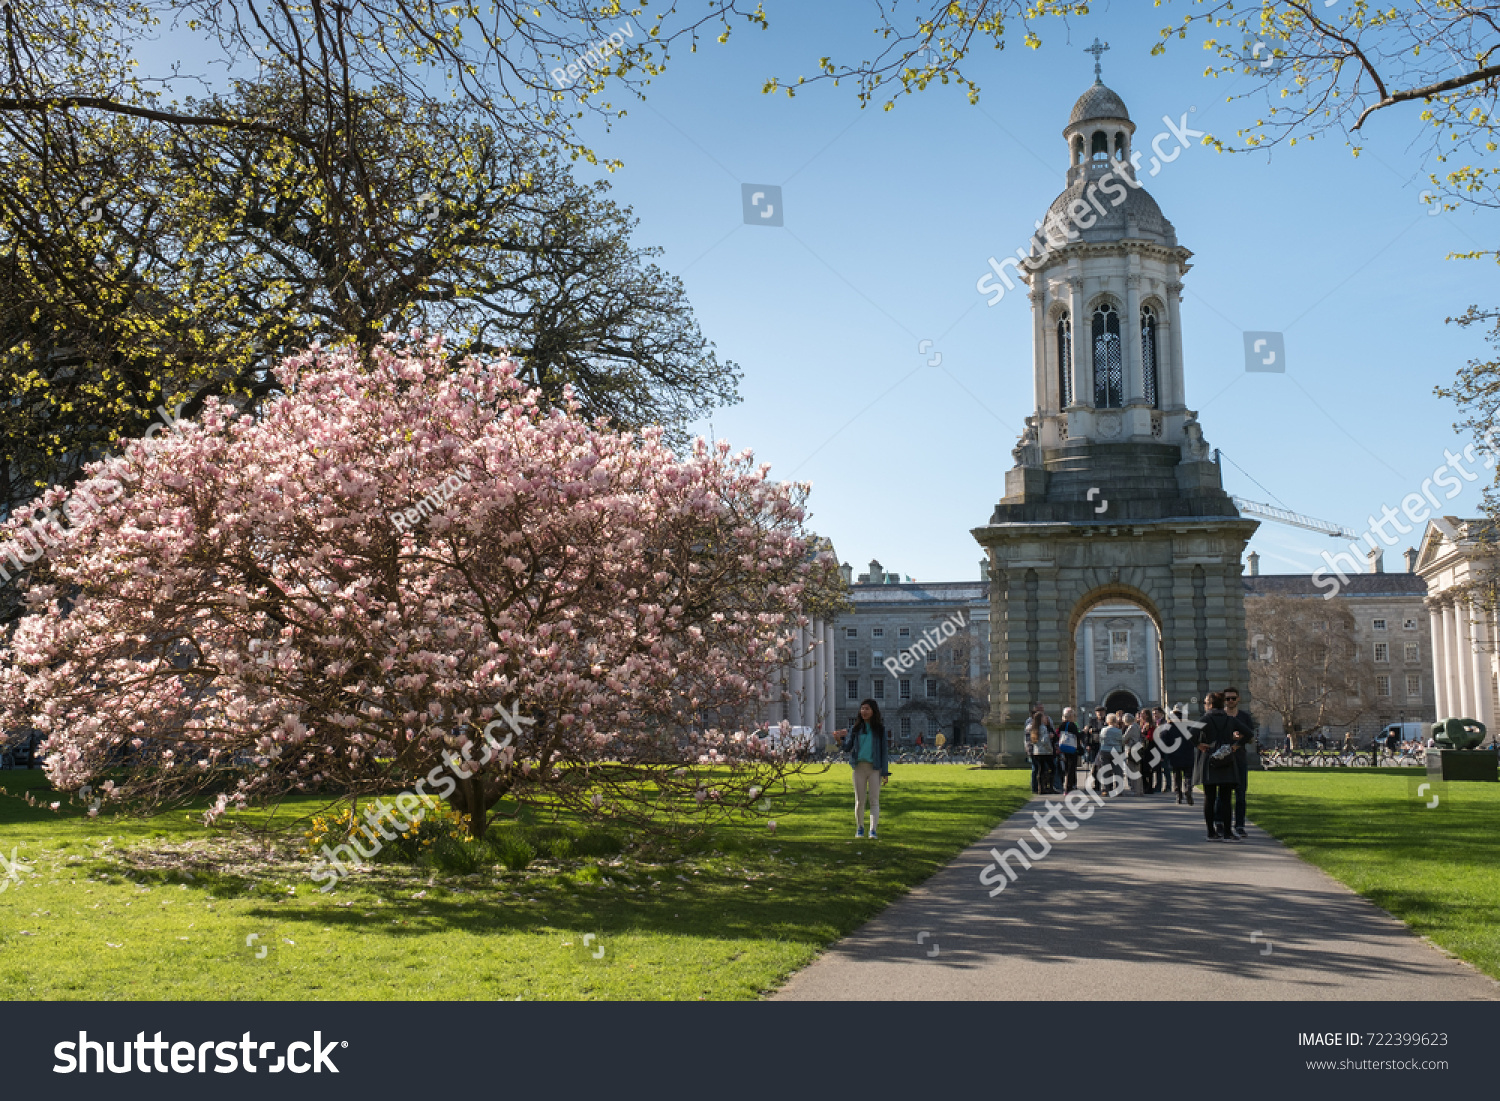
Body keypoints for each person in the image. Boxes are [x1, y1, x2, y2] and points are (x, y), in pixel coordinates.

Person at [831, 699, 890, 839]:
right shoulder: (855, 729)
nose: (864, 711)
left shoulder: (880, 730)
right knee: (860, 800)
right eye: (862, 708)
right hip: (859, 768)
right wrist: (838, 740)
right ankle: (860, 828)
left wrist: (885, 772)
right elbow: (847, 748)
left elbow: (884, 752)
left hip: (875, 768)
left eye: (867, 709)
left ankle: (873, 830)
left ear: (873, 711)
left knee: (874, 800)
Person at [1194, 692, 1245, 842]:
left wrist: (1199, 744)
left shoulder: (1205, 719)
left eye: (1205, 702)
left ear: (1210, 704)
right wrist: (1236, 745)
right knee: (1226, 799)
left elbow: (1190, 733)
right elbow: (1248, 733)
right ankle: (1228, 832)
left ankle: (1211, 832)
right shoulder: (1230, 719)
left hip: (1210, 761)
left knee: (1209, 798)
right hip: (1227, 761)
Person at [1223, 687, 1257, 839]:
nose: (1230, 701)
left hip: (1240, 758)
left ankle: (1240, 825)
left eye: (1233, 698)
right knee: (1223, 795)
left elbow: (1251, 737)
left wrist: (1241, 737)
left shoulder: (1244, 717)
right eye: (1227, 698)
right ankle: (1221, 823)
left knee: (1241, 793)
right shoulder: (1220, 717)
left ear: (1238, 699)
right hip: (1223, 759)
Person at [1158, 707, 1197, 804]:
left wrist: (1163, 754)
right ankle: (1188, 789)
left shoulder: (1168, 726)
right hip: (1188, 753)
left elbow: (1162, 741)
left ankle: (1178, 795)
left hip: (1174, 754)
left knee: (1176, 775)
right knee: (1188, 775)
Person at [1026, 706, 1056, 794]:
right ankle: (1050, 787)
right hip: (1045, 752)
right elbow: (1044, 740)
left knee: (1040, 770)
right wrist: (1050, 749)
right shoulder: (1043, 728)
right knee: (1052, 768)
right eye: (1043, 717)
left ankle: (1040, 788)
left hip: (1037, 751)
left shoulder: (1034, 728)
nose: (1045, 718)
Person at [1094, 712, 1125, 794]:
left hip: (1105, 750)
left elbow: (1101, 740)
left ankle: (1105, 789)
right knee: (1117, 770)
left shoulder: (1103, 730)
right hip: (1116, 751)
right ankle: (1119, 789)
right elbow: (1121, 741)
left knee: (1105, 771)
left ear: (1108, 721)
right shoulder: (1118, 731)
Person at [1056, 707, 1082, 793]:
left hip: (1063, 747)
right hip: (1072, 748)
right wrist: (1084, 732)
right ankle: (1069, 786)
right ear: (1071, 716)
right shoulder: (1072, 725)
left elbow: (1057, 734)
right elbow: (1078, 736)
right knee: (1071, 768)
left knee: (1066, 767)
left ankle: (1067, 785)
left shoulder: (1062, 725)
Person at [1121, 712, 1145, 795]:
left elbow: (1124, 739)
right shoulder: (1137, 726)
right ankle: (1140, 790)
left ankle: (1135, 790)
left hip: (1131, 750)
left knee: (1132, 770)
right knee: (1137, 770)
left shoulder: (1131, 727)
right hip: (1138, 749)